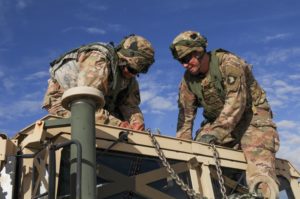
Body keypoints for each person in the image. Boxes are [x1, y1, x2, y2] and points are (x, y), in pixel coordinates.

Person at [170, 30, 280, 197]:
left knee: (260, 167)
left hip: (252, 119)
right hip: (219, 124)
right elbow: (185, 118)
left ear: (199, 52)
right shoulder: (187, 82)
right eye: (181, 61)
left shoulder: (228, 63)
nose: (185, 65)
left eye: (187, 59)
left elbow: (236, 103)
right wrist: (181, 151)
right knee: (199, 152)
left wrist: (215, 133)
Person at [42, 34, 155, 131]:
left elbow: (130, 105)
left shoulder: (129, 79)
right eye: (131, 69)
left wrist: (137, 123)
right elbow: (86, 104)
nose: (132, 75)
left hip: (96, 105)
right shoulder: (98, 61)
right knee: (83, 129)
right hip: (65, 100)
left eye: (138, 72)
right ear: (122, 60)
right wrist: (118, 124)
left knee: (125, 134)